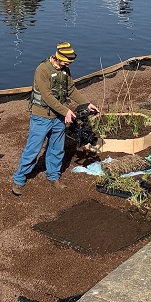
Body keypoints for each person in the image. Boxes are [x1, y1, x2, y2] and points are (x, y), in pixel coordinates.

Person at [12, 42, 99, 195]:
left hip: (58, 118)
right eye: (67, 61)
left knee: (57, 149)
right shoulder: (42, 70)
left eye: (70, 62)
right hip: (41, 117)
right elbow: (47, 97)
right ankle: (19, 179)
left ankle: (53, 176)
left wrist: (87, 104)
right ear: (58, 57)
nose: (68, 64)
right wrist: (66, 111)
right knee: (33, 149)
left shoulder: (65, 70)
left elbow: (71, 90)